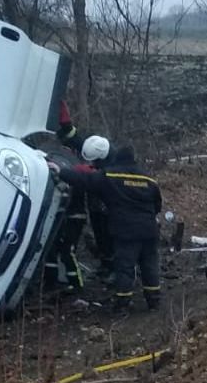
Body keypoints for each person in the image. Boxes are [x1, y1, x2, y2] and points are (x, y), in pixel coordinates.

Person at [52, 145, 163, 312]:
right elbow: (157, 206)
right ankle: (154, 300)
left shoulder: (110, 176)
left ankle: (123, 303)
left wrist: (60, 171)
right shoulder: (149, 180)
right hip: (149, 230)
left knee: (125, 266)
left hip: (126, 231)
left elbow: (84, 180)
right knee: (150, 264)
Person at [56, 103, 115, 277]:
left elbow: (93, 177)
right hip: (96, 205)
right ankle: (106, 264)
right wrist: (60, 111)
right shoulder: (93, 148)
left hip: (110, 207)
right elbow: (71, 136)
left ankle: (115, 268)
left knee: (110, 236)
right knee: (100, 235)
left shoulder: (113, 166)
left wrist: (70, 172)